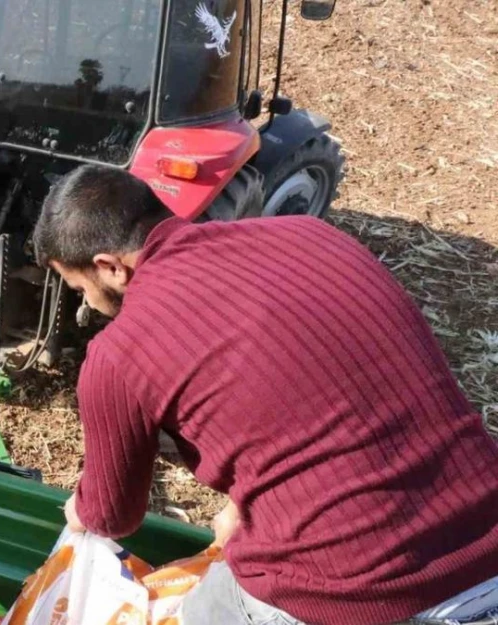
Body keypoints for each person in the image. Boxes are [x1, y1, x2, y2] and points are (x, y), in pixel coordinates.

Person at [34, 165, 498, 625]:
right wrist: (245, 506)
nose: (87, 305)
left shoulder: (119, 354)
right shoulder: (311, 235)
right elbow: (317, 392)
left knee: (202, 614)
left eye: (80, 289)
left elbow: (113, 517)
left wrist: (81, 507)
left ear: (109, 267)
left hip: (353, 589)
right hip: (487, 536)